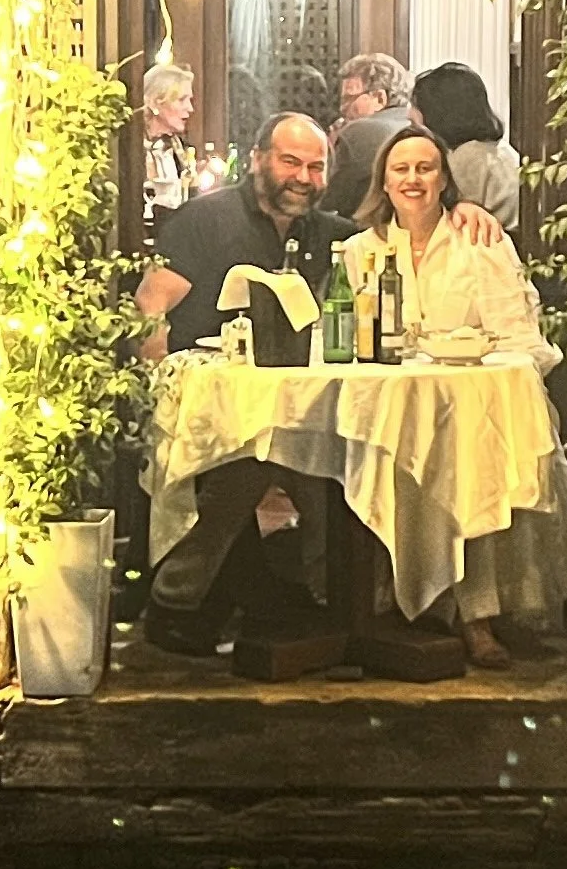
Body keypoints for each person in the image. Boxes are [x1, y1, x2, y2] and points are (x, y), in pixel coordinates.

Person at [132, 113, 505, 654]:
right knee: (248, 460)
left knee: (358, 454)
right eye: (290, 162)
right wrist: (157, 387)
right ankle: (177, 601)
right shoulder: (206, 219)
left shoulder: (324, 231)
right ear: (258, 158)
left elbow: (393, 229)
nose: (302, 177)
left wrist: (459, 207)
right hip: (214, 403)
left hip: (302, 404)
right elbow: (150, 304)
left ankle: (360, 607)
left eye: (314, 166)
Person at [343, 128, 567, 666]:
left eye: (425, 168)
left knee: (473, 469)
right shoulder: (361, 250)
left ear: (445, 178)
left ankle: (478, 615)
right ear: (383, 179)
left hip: (472, 402)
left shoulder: (479, 239)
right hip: (394, 406)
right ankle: (397, 608)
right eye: (400, 169)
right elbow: (353, 332)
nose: (413, 179)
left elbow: (518, 332)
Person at [410, 60, 522, 226]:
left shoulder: (467, 160)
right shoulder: (503, 150)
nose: (410, 113)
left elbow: (439, 222)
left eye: (415, 105)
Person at [320, 51, 413, 216]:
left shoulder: (360, 132)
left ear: (379, 98)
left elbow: (328, 201)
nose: (342, 108)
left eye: (349, 99)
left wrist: (331, 150)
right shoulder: (420, 126)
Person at [139, 61, 196, 237]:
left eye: (190, 100)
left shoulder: (179, 150)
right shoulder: (133, 150)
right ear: (155, 103)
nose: (190, 108)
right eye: (181, 100)